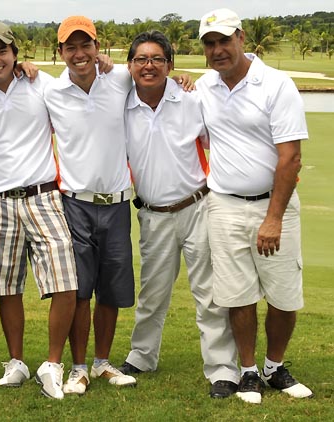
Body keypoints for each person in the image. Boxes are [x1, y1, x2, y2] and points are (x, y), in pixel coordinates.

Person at [196, 8, 313, 404]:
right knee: (237, 294)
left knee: (283, 295)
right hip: (225, 205)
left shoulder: (276, 85)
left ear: (241, 39)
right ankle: (247, 371)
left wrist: (273, 218)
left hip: (273, 205)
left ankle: (274, 366)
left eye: (224, 41)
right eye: (209, 44)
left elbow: (291, 158)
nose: (217, 50)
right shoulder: (205, 87)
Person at [118, 30, 240, 399]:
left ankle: (222, 368)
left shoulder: (192, 99)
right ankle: (142, 356)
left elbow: (216, 144)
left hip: (196, 206)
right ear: (130, 65)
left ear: (170, 65)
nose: (149, 65)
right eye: (141, 59)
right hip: (153, 214)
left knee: (209, 293)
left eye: (158, 59)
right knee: (152, 293)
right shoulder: (120, 104)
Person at [0, 21, 78, 399]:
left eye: (2, 51)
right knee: (7, 287)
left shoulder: (40, 84)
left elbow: (78, 88)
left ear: (16, 54)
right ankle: (15, 361)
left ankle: (51, 362)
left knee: (64, 280)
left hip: (44, 195)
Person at [43, 15, 137, 395]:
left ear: (98, 48)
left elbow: (156, 78)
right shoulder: (48, 91)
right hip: (75, 204)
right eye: (71, 47)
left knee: (111, 290)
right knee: (80, 289)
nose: (79, 54)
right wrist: (21, 66)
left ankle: (101, 363)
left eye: (86, 45)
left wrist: (182, 80)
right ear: (60, 51)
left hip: (116, 203)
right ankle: (78, 367)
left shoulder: (121, 80)